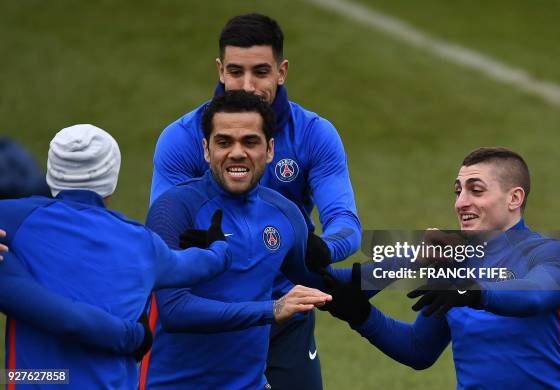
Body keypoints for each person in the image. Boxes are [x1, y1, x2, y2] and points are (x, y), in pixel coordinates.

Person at [146, 13, 361, 389]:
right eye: (235, 71)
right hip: (213, 314)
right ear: (219, 70)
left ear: (282, 71)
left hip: (288, 308)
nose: (246, 86)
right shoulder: (180, 139)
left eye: (260, 72)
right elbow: (167, 245)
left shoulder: (314, 136)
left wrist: (322, 249)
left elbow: (344, 223)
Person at [324, 147, 560, 389]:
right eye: (458, 191)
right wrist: (362, 314)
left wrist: (474, 292)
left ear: (514, 198)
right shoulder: (455, 264)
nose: (460, 203)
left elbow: (534, 294)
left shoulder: (554, 255)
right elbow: (418, 348)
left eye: (476, 190)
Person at [0, 124, 232, 389]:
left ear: (53, 171)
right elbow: (199, 266)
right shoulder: (144, 244)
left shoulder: (15, 221)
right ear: (111, 177)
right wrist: (218, 247)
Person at [141, 91, 334, 389]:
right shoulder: (174, 209)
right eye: (224, 142)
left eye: (250, 141)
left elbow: (326, 284)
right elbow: (174, 309)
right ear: (206, 150)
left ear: (270, 150)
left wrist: (411, 261)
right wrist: (271, 310)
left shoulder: (284, 214)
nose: (237, 152)